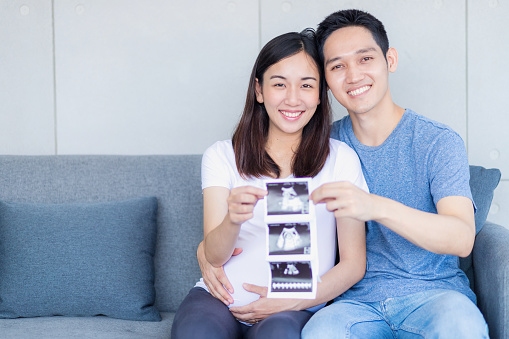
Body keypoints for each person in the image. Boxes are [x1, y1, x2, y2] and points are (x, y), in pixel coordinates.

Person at [300, 9, 489, 338]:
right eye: (337, 66)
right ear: (326, 82)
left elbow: (461, 238)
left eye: (365, 59)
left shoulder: (437, 141)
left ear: (390, 60)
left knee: (463, 327)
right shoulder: (321, 147)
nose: (353, 75)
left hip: (436, 298)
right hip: (352, 306)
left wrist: (373, 206)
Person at [171, 29, 368, 339]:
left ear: (320, 94)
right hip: (222, 300)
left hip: (296, 306)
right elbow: (214, 255)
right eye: (279, 84)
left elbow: (354, 264)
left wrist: (292, 300)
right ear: (259, 90)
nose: (292, 98)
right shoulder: (223, 156)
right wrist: (233, 219)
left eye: (306, 85)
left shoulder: (340, 159)